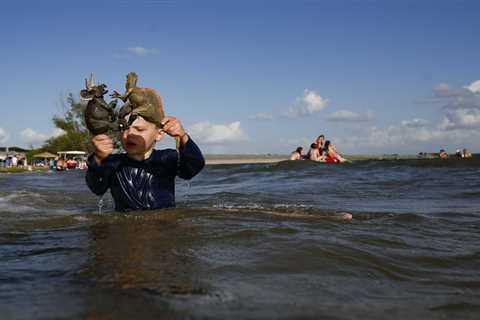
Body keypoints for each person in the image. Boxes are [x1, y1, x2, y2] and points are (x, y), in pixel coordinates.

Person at [86, 111, 205, 211]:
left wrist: (183, 137)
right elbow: (97, 188)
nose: (130, 134)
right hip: (126, 227)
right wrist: (97, 158)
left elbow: (193, 168)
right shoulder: (114, 163)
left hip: (162, 225)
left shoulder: (167, 158)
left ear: (159, 134)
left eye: (139, 129)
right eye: (124, 128)